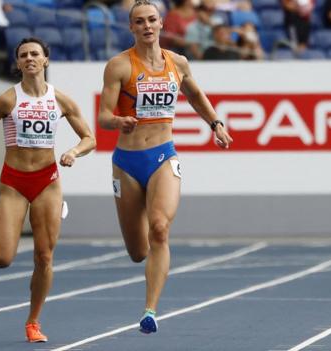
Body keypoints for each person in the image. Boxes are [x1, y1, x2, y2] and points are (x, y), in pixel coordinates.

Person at [97, 0, 233, 334]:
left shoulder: (179, 63)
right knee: (137, 251)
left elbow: (196, 95)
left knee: (159, 227)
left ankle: (150, 311)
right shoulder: (119, 66)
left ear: (161, 24)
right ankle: (141, 245)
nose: (146, 26)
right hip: (127, 163)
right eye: (139, 21)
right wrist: (119, 121)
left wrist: (215, 123)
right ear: (131, 28)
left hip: (163, 155)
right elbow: (102, 116)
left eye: (152, 20)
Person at [0, 37, 96, 342]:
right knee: (1, 258)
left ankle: (33, 322)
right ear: (17, 63)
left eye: (35, 54)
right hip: (13, 182)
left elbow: (89, 137)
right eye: (23, 55)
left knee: (44, 256)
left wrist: (73, 152)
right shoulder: (7, 100)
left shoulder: (61, 100)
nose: (29, 58)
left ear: (45, 60)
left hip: (47, 182)